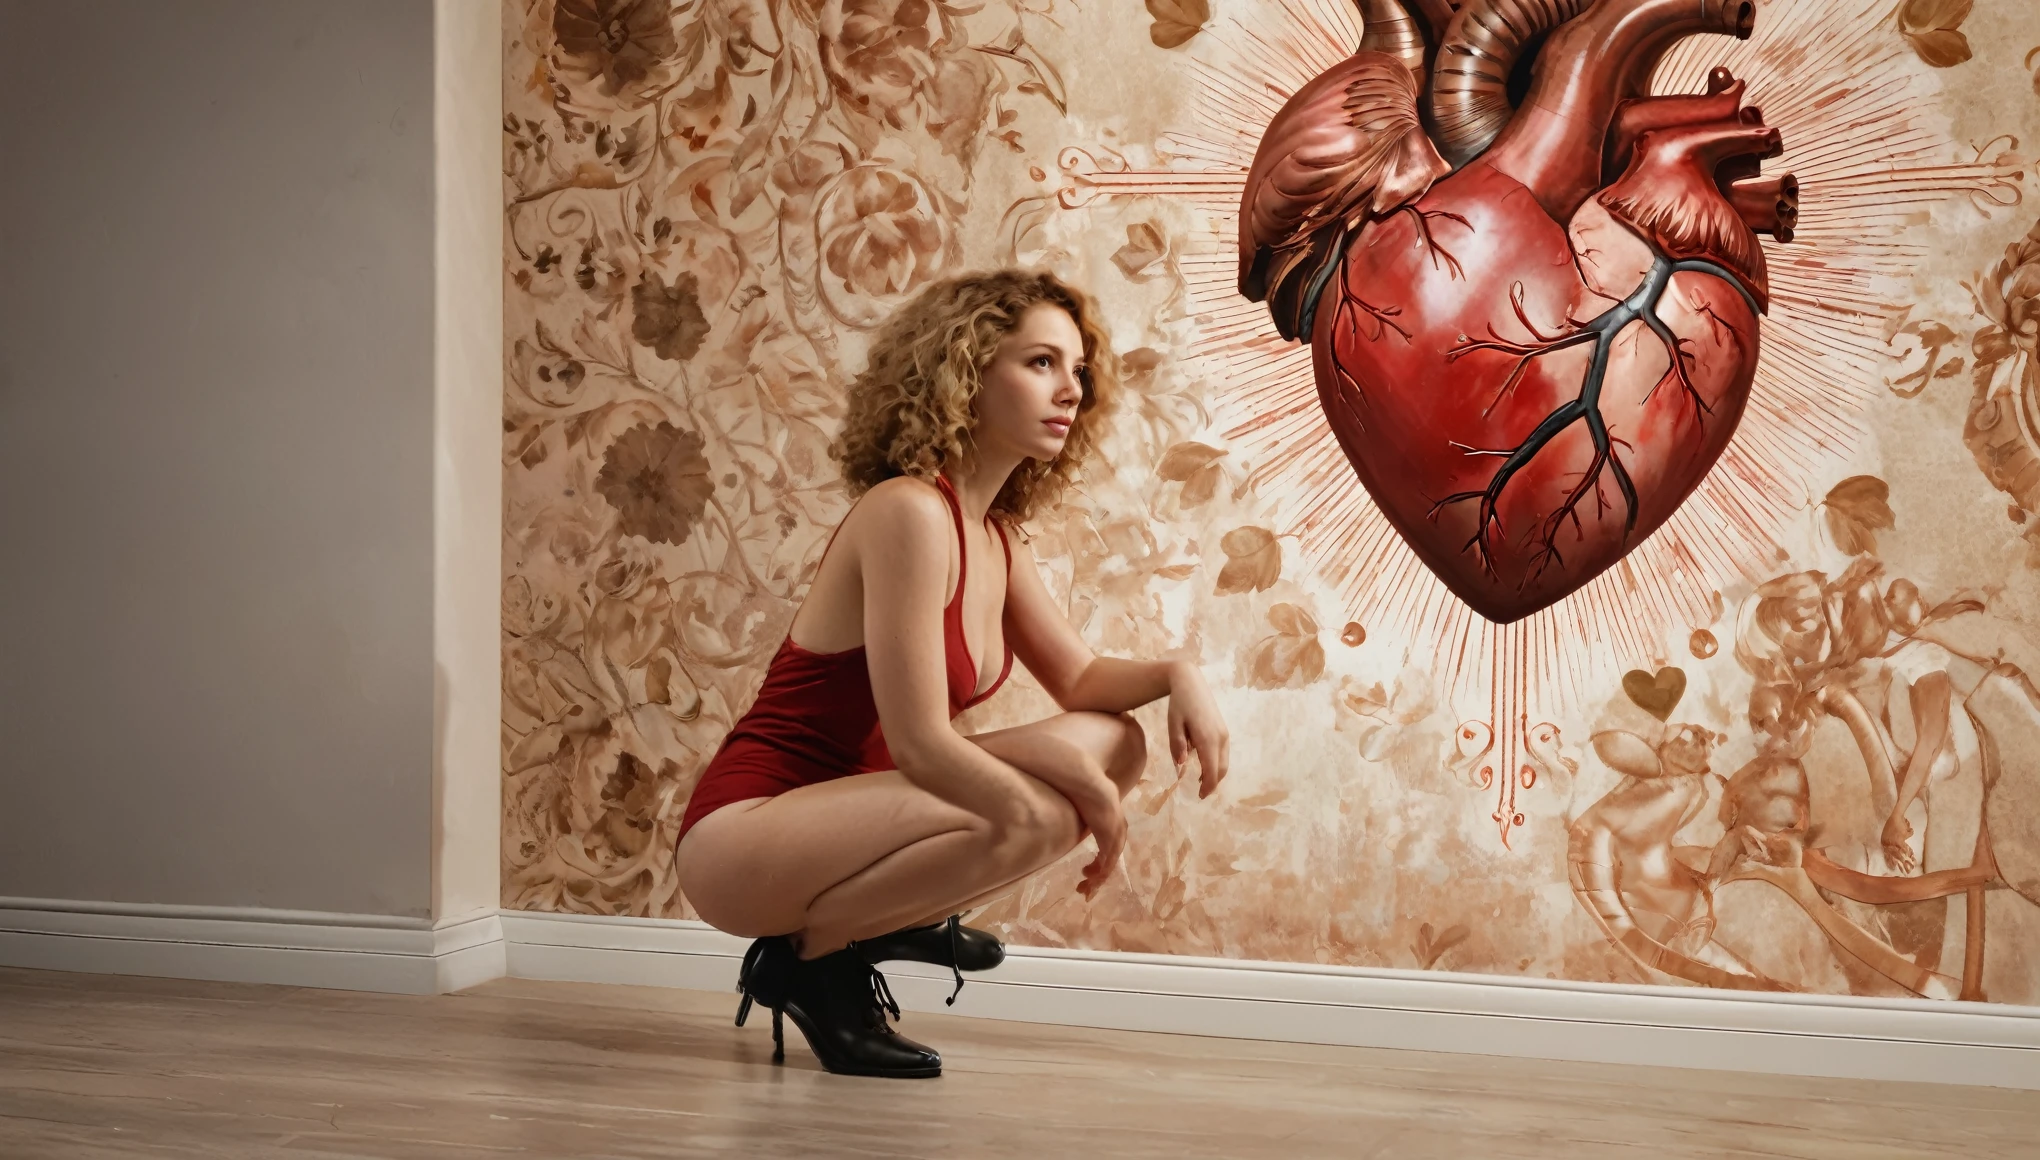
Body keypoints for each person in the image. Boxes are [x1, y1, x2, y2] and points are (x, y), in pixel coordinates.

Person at [674, 269, 1231, 1078]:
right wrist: (1090, 816)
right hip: (748, 835)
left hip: (861, 816)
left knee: (1115, 743)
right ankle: (810, 959)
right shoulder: (907, 511)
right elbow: (922, 744)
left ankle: (870, 932)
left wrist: (1182, 671)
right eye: (1040, 362)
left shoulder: (995, 537)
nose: (1070, 390)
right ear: (963, 370)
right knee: (1038, 813)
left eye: (1077, 370)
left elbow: (1080, 685)